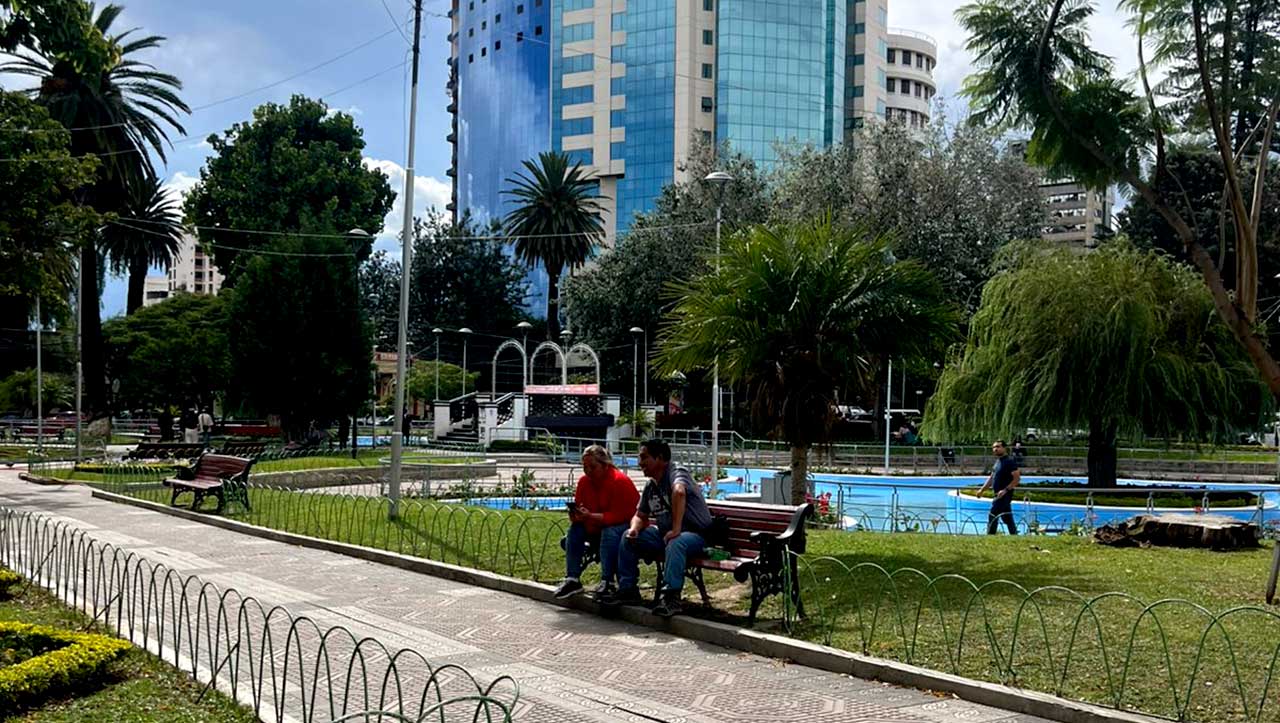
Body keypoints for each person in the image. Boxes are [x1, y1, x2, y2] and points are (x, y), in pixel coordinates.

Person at [603, 438, 713, 617]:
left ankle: (671, 598)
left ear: (660, 458)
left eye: (644, 457)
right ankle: (628, 589)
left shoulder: (677, 472)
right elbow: (640, 515)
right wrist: (634, 529)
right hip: (665, 536)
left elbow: (679, 492)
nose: (640, 463)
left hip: (697, 537)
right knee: (627, 537)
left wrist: (676, 529)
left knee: (676, 542)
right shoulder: (651, 485)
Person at [553, 445, 641, 600]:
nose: (588, 471)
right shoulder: (584, 482)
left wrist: (590, 516)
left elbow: (619, 516)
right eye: (585, 467)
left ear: (605, 465)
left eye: (593, 467)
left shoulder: (619, 481)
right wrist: (577, 516)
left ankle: (608, 581)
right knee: (575, 529)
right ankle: (572, 578)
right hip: (596, 525)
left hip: (623, 526)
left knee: (609, 531)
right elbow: (582, 508)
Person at [975, 439, 1020, 535]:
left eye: (998, 447)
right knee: (1007, 518)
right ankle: (1014, 535)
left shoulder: (1009, 462)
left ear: (1004, 448)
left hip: (1004, 495)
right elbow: (991, 478)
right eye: (994, 447)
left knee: (993, 514)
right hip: (997, 494)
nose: (995, 449)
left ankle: (990, 536)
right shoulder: (998, 462)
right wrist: (982, 490)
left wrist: (1005, 490)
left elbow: (1017, 479)